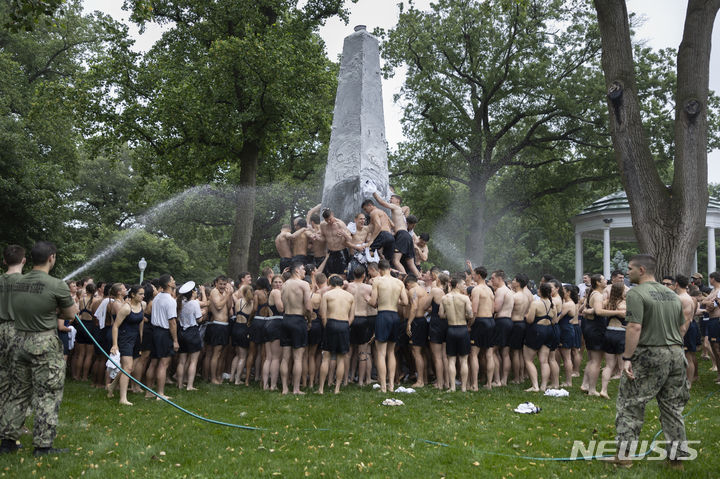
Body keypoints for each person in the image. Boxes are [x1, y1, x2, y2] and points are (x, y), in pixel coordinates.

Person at [0, 241, 78, 456]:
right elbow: (71, 315)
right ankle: (43, 446)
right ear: (51, 257)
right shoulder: (56, 285)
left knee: (18, 392)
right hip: (44, 343)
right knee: (47, 393)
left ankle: (7, 442)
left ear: (30, 259)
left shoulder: (16, 282)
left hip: (19, 341)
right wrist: (56, 312)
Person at [612, 254, 690, 466]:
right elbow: (683, 327)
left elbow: (634, 327)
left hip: (650, 353)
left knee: (631, 403)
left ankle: (624, 456)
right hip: (676, 353)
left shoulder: (637, 293)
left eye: (630, 268)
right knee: (672, 407)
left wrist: (627, 357)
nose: (627, 272)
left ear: (642, 270)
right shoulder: (672, 295)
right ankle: (677, 461)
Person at [369, 259, 408, 393]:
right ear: (390, 269)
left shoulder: (377, 281)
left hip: (383, 315)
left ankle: (383, 387)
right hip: (395, 316)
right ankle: (392, 385)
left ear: (380, 270)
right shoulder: (399, 282)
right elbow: (405, 301)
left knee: (380, 353)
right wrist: (394, 299)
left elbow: (373, 302)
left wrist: (368, 300)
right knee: (391, 352)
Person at [108, 284, 145, 405]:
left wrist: (141, 339)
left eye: (143, 294)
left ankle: (112, 386)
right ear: (133, 294)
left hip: (135, 339)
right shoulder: (126, 308)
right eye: (140, 294)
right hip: (124, 339)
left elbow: (140, 324)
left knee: (129, 368)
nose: (143, 296)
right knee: (128, 368)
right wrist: (115, 344)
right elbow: (115, 326)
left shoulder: (142, 305)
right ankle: (122, 398)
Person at [318, 275, 355, 394]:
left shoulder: (327, 295)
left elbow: (323, 314)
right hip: (344, 324)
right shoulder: (350, 296)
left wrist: (326, 326)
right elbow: (352, 317)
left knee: (326, 357)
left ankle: (321, 389)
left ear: (331, 284)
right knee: (341, 358)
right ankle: (337, 389)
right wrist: (345, 326)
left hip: (331, 322)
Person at [0, 245, 25, 417]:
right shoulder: (28, 283)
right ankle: (15, 422)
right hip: (19, 330)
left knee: (2, 375)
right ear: (23, 260)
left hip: (1, 328)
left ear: (4, 261)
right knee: (21, 378)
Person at [280, 262, 311, 395]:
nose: (305, 271)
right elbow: (309, 307)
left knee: (285, 357)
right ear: (297, 270)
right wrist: (309, 320)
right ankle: (296, 389)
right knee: (298, 357)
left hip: (286, 318)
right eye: (304, 269)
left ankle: (284, 388)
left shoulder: (284, 285)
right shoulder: (303, 284)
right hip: (298, 319)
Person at [372, 191, 420, 276]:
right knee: (411, 264)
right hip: (407, 236)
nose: (390, 199)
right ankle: (419, 278)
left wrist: (373, 192)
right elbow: (395, 224)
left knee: (395, 261)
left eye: (392, 198)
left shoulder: (396, 207)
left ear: (397, 201)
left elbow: (382, 202)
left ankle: (405, 279)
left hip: (402, 235)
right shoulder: (399, 213)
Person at [439, 274, 472, 392]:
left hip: (451, 329)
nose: (464, 286)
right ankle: (463, 388)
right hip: (462, 329)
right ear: (457, 285)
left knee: (451, 359)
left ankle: (452, 387)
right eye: (463, 284)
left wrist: (450, 313)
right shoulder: (465, 298)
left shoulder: (444, 298)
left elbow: (441, 315)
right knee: (464, 360)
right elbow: (471, 314)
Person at [147, 274, 178, 400]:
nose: (174, 281)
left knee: (153, 362)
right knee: (164, 363)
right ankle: (160, 393)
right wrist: (175, 340)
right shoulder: (170, 301)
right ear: (169, 284)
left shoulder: (158, 296)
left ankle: (148, 392)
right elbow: (172, 322)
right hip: (164, 333)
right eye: (172, 280)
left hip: (154, 332)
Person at [522, 282, 556, 392]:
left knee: (528, 359)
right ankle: (543, 386)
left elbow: (530, 320)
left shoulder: (536, 303)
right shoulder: (553, 305)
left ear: (540, 291)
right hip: (549, 330)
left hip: (536, 331)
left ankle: (535, 386)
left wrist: (526, 315)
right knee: (544, 360)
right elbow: (555, 321)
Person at [345, 266, 374, 387]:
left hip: (350, 319)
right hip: (363, 319)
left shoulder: (347, 287)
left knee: (348, 352)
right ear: (364, 276)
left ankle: (346, 380)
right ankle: (361, 381)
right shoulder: (368, 288)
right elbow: (374, 303)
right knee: (363, 352)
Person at [580, 274, 607, 396]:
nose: (606, 281)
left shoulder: (594, 294)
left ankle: (585, 384)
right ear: (598, 283)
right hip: (596, 328)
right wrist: (619, 312)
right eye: (603, 280)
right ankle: (592, 389)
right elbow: (598, 311)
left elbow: (590, 309)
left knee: (592, 360)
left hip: (590, 327)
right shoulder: (597, 295)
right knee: (596, 361)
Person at [470, 266, 495, 390]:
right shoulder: (490, 290)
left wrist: (470, 324)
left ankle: (474, 384)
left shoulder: (476, 290)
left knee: (474, 353)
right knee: (489, 353)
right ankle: (489, 384)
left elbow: (474, 311)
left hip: (480, 321)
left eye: (474, 274)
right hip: (490, 320)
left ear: (479, 276)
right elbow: (492, 309)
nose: (472, 276)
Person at [176, 284, 205, 391]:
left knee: (181, 361)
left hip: (182, 332)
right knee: (193, 360)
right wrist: (203, 313)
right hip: (192, 331)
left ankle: (179, 384)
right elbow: (199, 320)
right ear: (192, 292)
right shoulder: (194, 303)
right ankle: (189, 385)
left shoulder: (181, 302)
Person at [207, 276, 233, 384]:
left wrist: (230, 295)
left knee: (222, 353)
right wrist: (227, 295)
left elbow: (229, 307)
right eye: (220, 284)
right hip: (217, 325)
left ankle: (218, 375)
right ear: (216, 283)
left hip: (225, 325)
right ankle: (213, 378)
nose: (222, 286)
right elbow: (218, 306)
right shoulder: (214, 292)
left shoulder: (224, 294)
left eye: (224, 284)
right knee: (216, 353)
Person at [490, 270, 514, 386]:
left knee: (493, 351)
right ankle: (504, 380)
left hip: (501, 321)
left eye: (493, 278)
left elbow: (496, 308)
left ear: (499, 279)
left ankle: (497, 380)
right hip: (508, 321)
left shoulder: (500, 291)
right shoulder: (509, 291)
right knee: (505, 353)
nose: (491, 280)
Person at [404, 274, 428, 387]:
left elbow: (414, 307)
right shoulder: (423, 291)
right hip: (423, 320)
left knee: (416, 351)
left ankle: (420, 381)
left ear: (408, 283)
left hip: (417, 321)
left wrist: (409, 322)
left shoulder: (412, 290)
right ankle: (425, 379)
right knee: (422, 351)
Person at [509, 274, 530, 384]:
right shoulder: (526, 296)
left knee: (515, 352)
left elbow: (509, 310)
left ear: (518, 283)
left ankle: (517, 378)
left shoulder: (515, 296)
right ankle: (521, 376)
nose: (512, 281)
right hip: (523, 323)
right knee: (521, 352)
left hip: (515, 323)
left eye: (513, 280)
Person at [230, 284, 252, 386]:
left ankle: (231, 377)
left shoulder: (238, 301)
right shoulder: (250, 303)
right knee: (243, 356)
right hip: (244, 329)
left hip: (236, 327)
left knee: (237, 355)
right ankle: (237, 379)